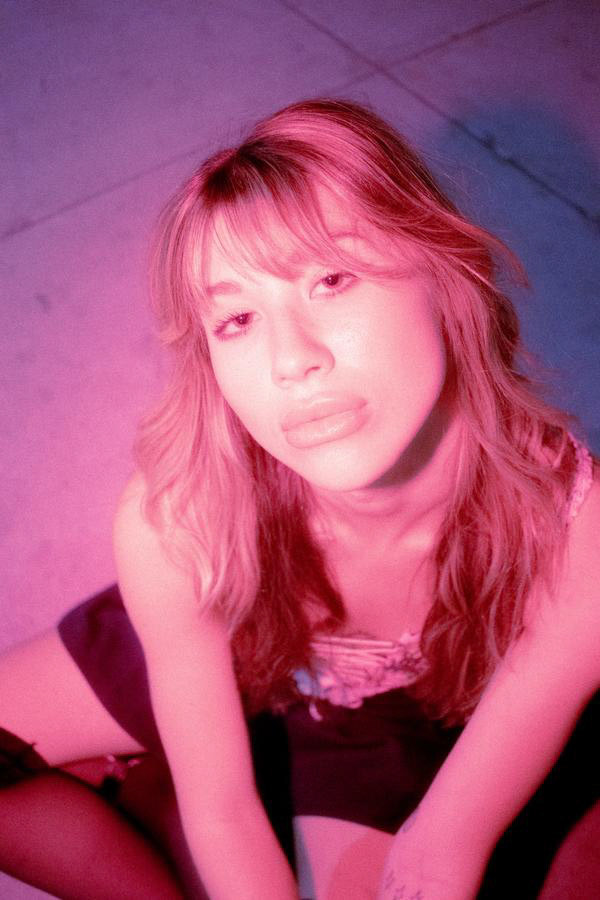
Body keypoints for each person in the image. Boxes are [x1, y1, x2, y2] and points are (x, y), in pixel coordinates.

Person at [0, 97, 598, 900]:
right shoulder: (179, 522)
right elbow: (222, 810)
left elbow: (443, 848)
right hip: (227, 633)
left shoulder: (577, 531)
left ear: (447, 269)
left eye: (331, 279)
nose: (291, 359)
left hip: (399, 727)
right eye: (238, 319)